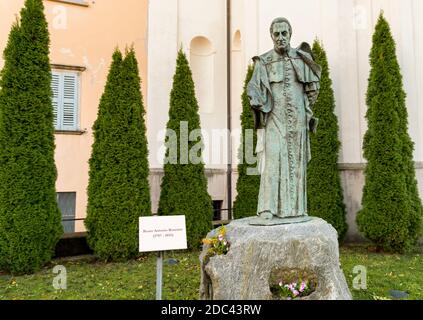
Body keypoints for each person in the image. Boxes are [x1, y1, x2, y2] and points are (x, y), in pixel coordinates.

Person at [247, 17, 321, 220]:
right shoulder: (264, 61)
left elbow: (313, 87)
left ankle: (296, 209)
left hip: (297, 122)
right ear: (271, 36)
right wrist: (256, 98)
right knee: (272, 162)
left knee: (296, 165)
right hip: (274, 120)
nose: (280, 37)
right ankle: (267, 208)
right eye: (276, 34)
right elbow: (253, 86)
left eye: (284, 33)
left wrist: (305, 110)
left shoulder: (301, 59)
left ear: (290, 34)